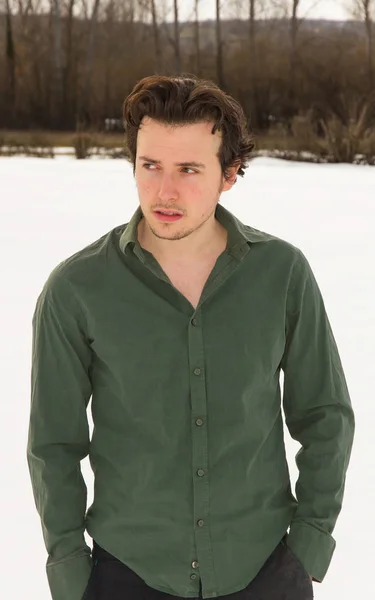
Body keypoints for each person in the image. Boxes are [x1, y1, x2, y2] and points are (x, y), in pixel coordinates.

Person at [26, 74, 355, 600]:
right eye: (150, 166)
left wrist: (310, 542)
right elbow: (54, 446)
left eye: (189, 170)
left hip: (265, 571)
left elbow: (326, 416)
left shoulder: (283, 274)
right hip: (126, 575)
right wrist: (69, 573)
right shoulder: (75, 289)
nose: (165, 191)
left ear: (229, 174)